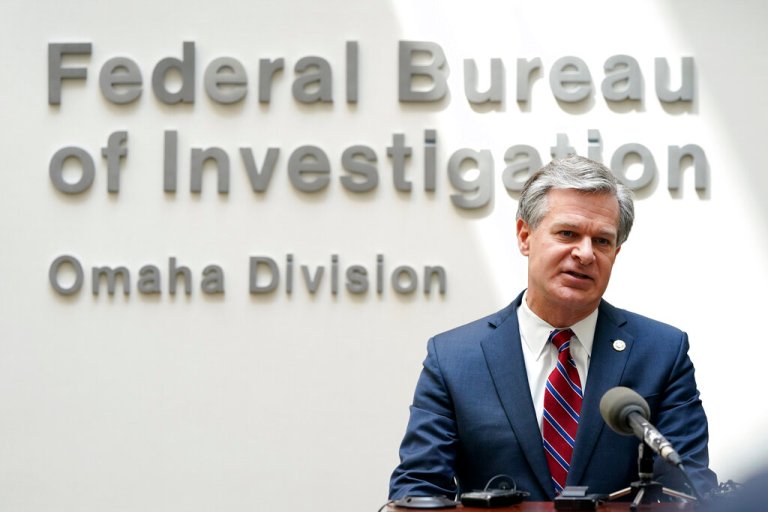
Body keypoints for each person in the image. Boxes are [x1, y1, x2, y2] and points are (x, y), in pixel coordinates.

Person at [388, 155, 717, 502]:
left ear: (616, 253)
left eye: (602, 241)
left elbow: (688, 488)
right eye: (568, 233)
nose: (586, 253)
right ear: (525, 236)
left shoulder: (662, 352)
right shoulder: (454, 358)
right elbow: (418, 490)